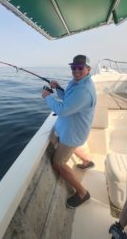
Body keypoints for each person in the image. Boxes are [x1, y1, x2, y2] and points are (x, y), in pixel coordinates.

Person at [42, 54, 96, 208]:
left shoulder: (84, 91)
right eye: (74, 67)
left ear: (88, 69)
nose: (76, 70)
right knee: (69, 145)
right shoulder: (77, 82)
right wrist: (58, 88)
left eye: (80, 67)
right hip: (74, 129)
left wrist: (47, 96)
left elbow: (63, 109)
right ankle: (87, 161)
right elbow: (68, 99)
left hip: (73, 133)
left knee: (58, 162)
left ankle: (82, 193)